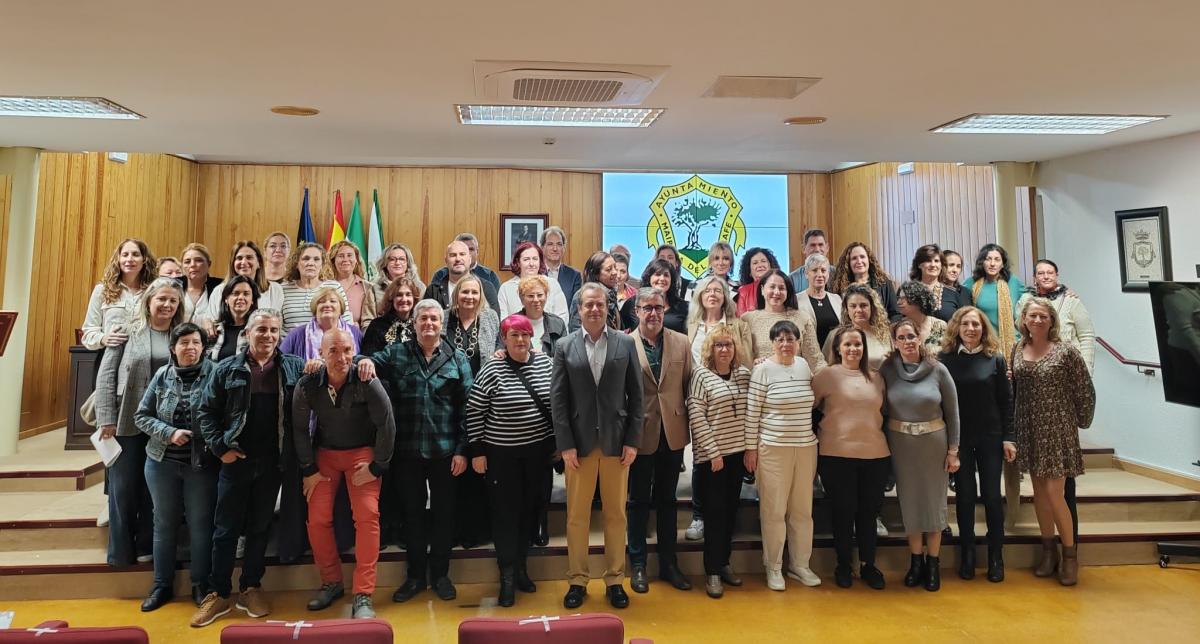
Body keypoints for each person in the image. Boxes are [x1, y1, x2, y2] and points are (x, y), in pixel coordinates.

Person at [191, 309, 305, 628]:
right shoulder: (226, 369)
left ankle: (250, 587)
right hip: (236, 460)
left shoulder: (293, 367)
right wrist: (220, 448)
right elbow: (205, 412)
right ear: (248, 334)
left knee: (259, 528)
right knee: (225, 529)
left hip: (272, 463)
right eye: (261, 330)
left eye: (273, 330)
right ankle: (218, 592)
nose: (268, 336)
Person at [356, 300, 473, 604]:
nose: (429, 324)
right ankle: (416, 577)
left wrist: (463, 450)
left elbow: (468, 409)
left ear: (441, 323)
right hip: (406, 451)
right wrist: (364, 361)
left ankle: (442, 575)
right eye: (423, 319)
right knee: (413, 516)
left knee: (445, 515)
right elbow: (361, 360)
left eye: (434, 318)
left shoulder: (457, 357)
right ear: (415, 323)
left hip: (446, 451)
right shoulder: (396, 353)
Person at [552, 282, 644, 610]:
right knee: (576, 517)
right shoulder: (564, 346)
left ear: (608, 308)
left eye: (600, 305)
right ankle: (577, 579)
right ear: (578, 310)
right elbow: (558, 401)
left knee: (616, 515)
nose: (594, 309)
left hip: (617, 444)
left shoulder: (625, 343)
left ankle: (615, 579)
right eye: (588, 304)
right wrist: (565, 445)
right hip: (579, 445)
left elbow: (637, 396)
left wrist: (633, 440)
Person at [293, 329, 396, 620]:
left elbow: (387, 424)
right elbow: (299, 429)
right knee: (317, 518)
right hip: (324, 455)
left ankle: (363, 593)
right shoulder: (309, 383)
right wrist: (308, 469)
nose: (342, 358)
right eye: (334, 351)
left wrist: (377, 466)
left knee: (367, 515)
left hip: (362, 454)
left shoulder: (366, 379)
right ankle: (331, 582)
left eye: (347, 350)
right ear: (321, 354)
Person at [465, 314, 555, 607]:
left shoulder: (545, 363)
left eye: (525, 335)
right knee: (506, 515)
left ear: (532, 338)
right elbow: (475, 410)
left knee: (531, 511)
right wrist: (477, 450)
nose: (520, 340)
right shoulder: (493, 367)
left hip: (538, 454)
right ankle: (506, 575)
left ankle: (522, 569)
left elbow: (558, 403)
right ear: (504, 339)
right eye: (513, 335)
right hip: (501, 454)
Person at [96, 277, 185, 567]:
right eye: (162, 299)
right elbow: (107, 376)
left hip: (164, 424)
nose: (167, 305)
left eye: (173, 301)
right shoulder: (126, 332)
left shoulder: (181, 335)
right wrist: (106, 418)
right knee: (123, 488)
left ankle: (146, 545)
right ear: (148, 301)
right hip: (126, 420)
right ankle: (120, 552)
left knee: (153, 490)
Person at [134, 322, 218, 611]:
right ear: (173, 348)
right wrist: (169, 433)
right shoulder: (162, 376)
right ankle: (161, 585)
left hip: (201, 464)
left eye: (195, 343)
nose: (190, 348)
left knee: (200, 525)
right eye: (184, 343)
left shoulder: (216, 373)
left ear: (203, 347)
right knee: (164, 524)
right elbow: (141, 416)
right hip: (162, 462)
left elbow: (226, 415)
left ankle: (200, 584)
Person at [1012, 297, 1095, 587]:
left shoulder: (1066, 351)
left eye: (1043, 316)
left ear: (1051, 321)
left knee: (1055, 494)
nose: (1037, 320)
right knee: (1038, 493)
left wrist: (1080, 422)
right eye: (1032, 316)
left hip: (1057, 429)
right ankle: (1048, 550)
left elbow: (1084, 389)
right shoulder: (1017, 349)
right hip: (1029, 428)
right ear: (1024, 320)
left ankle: (1070, 555)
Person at [879, 318, 961, 593]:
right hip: (901, 446)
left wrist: (953, 451)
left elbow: (953, 413)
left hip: (933, 445)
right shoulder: (888, 370)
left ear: (920, 338)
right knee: (910, 504)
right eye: (901, 337)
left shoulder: (938, 370)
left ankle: (933, 563)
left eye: (911, 336)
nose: (907, 342)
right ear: (895, 341)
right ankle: (916, 562)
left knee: (934, 504)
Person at [939, 307, 1015, 583]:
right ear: (957, 327)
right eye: (966, 324)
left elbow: (1006, 401)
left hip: (991, 436)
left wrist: (1010, 436)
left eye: (977, 324)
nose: (971, 328)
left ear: (984, 328)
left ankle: (996, 556)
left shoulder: (994, 359)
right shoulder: (945, 359)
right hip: (959, 438)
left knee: (993, 497)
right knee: (965, 497)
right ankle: (967, 554)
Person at [744, 320, 821, 591]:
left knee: (802, 511)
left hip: (805, 447)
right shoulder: (763, 370)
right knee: (774, 510)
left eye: (791, 339)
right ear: (773, 342)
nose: (786, 344)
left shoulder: (803, 366)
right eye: (781, 339)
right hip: (772, 449)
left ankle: (800, 564)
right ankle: (774, 566)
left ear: (798, 342)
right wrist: (750, 449)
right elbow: (752, 412)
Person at [626, 288, 694, 594]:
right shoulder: (624, 343)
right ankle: (638, 565)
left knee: (668, 502)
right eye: (647, 308)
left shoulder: (681, 342)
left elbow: (688, 384)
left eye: (658, 308)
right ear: (636, 311)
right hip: (639, 435)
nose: (653, 313)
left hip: (673, 431)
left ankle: (669, 564)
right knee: (638, 501)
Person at [812, 325, 889, 590]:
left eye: (858, 344)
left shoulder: (878, 377)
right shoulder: (826, 376)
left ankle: (868, 564)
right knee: (843, 512)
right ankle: (843, 564)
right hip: (836, 455)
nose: (853, 349)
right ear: (837, 348)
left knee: (868, 513)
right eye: (848, 345)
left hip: (875, 455)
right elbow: (810, 411)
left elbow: (886, 413)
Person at [684, 275, 753, 542]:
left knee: (729, 458)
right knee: (702, 456)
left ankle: (725, 520)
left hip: (729, 392)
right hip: (698, 392)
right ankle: (699, 516)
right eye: (707, 290)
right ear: (699, 296)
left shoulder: (738, 324)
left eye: (718, 290)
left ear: (726, 296)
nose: (713, 294)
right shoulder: (690, 325)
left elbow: (744, 356)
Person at [961, 243, 1025, 527]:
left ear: (1003, 262)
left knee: (1008, 406)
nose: (992, 262)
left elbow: (1029, 308)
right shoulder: (970, 284)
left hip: (1007, 354)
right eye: (988, 258)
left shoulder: (1013, 283)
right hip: (980, 353)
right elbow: (965, 317)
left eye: (997, 258)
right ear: (981, 261)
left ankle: (1012, 461)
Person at [687, 324, 750, 598]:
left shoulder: (744, 375)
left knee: (730, 513)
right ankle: (711, 571)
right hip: (713, 458)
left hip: (738, 454)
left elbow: (752, 413)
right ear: (710, 349)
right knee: (714, 515)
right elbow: (696, 415)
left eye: (728, 344)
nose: (724, 349)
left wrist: (750, 449)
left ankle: (724, 563)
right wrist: (713, 452)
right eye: (718, 345)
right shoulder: (700, 375)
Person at [444, 273, 499, 548]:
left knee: (479, 466)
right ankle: (454, 530)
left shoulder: (490, 319)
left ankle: (477, 531)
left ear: (481, 296)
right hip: (449, 400)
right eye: (464, 292)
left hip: (482, 401)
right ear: (456, 295)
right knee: (455, 467)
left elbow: (499, 350)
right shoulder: (444, 317)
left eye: (474, 293)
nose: (469, 297)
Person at [1018, 259, 1096, 372]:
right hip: (1035, 366)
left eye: (1050, 273)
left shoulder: (1071, 300)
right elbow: (1021, 331)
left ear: (1056, 276)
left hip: (1069, 367)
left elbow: (1087, 336)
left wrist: (1086, 369)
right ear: (1034, 278)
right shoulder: (1026, 300)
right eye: (1041, 273)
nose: (1046, 276)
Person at [741, 269, 826, 372]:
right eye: (772, 287)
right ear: (762, 289)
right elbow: (743, 361)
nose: (776, 292)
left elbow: (816, 361)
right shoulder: (747, 319)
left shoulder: (802, 318)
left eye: (781, 288)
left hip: (795, 381)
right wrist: (753, 364)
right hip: (761, 381)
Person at [82, 238, 157, 350]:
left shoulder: (154, 291)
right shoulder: (102, 290)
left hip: (144, 359)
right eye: (125, 255)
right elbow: (89, 332)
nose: (130, 259)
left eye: (136, 254)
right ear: (118, 259)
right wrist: (103, 338)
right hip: (109, 358)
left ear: (144, 259)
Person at [280, 286, 364, 365]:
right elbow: (280, 362)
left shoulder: (355, 332)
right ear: (315, 308)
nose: (327, 305)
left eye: (333, 301)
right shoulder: (297, 334)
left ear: (341, 308)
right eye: (321, 302)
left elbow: (365, 360)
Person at [280, 243, 352, 333]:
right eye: (306, 258)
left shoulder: (334, 287)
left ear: (322, 265)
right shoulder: (283, 289)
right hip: (292, 345)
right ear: (296, 264)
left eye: (316, 259)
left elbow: (346, 322)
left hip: (327, 344)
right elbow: (277, 325)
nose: (310, 263)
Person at [207, 241, 285, 322]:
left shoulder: (275, 289)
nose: (243, 262)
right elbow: (211, 322)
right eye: (239, 258)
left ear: (259, 263)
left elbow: (277, 322)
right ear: (233, 263)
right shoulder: (219, 291)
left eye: (249, 257)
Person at [823, 284, 892, 371]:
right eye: (853, 306)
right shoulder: (835, 335)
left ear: (872, 307)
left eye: (863, 305)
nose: (858, 310)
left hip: (879, 383)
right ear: (846, 309)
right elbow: (826, 368)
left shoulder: (885, 334)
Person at [497, 241, 569, 323]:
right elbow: (503, 322)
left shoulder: (552, 284)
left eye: (535, 259)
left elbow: (562, 318)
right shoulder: (506, 288)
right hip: (517, 334)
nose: (531, 264)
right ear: (518, 262)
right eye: (526, 259)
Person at [830, 242, 900, 320]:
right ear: (848, 263)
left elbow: (895, 314)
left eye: (862, 257)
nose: (859, 261)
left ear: (869, 260)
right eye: (854, 258)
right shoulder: (840, 287)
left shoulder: (884, 284)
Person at [423, 240, 501, 311]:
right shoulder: (433, 291)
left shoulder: (486, 287)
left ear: (470, 259)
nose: (458, 259)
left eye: (462, 254)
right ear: (446, 261)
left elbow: (494, 322)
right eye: (453, 255)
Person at [622, 259, 689, 334]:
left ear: (671, 280)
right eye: (657, 274)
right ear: (649, 277)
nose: (662, 278)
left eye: (666, 275)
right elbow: (619, 331)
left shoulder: (684, 307)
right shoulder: (632, 303)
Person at [361, 277, 419, 355]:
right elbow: (368, 357)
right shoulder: (377, 326)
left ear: (414, 299)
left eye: (408, 295)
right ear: (391, 298)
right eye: (399, 295)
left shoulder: (419, 325)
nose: (404, 299)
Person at [568, 251, 623, 332]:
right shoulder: (582, 295)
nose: (615, 272)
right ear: (596, 275)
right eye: (609, 269)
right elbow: (576, 330)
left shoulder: (611, 294)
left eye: (615, 267)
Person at [911, 244, 968, 322]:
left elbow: (963, 323)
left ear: (941, 265)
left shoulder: (954, 294)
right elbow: (898, 318)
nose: (933, 265)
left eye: (936, 261)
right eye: (928, 260)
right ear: (919, 264)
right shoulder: (906, 291)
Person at [428, 232, 502, 291]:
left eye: (471, 249)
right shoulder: (441, 274)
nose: (468, 253)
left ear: (477, 251)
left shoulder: (490, 276)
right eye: (462, 250)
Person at [796, 254, 842, 347]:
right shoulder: (796, 300)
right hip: (809, 357)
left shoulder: (837, 299)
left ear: (828, 274)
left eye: (823, 270)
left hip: (835, 356)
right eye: (814, 270)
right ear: (806, 274)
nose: (820, 274)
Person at [330, 240, 377, 328]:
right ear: (333, 260)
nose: (345, 259)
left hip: (358, 337)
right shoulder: (325, 286)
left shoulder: (367, 287)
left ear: (356, 260)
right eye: (341, 256)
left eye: (349, 255)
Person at [210, 275, 259, 361]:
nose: (240, 297)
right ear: (226, 299)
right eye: (235, 293)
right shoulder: (214, 331)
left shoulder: (258, 331)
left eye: (246, 294)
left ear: (252, 300)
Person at [897, 281, 948, 352]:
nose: (898, 302)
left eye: (903, 298)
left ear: (918, 299)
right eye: (899, 298)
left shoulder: (941, 326)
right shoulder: (898, 328)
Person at [179, 243, 224, 325]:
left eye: (198, 260)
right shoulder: (174, 287)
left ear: (209, 264)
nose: (192, 265)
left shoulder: (221, 288)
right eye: (187, 262)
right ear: (182, 266)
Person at [541, 226, 582, 305]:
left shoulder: (574, 276)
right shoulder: (535, 273)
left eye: (559, 244)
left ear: (564, 248)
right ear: (542, 248)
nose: (555, 248)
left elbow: (576, 308)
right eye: (550, 244)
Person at [735, 247, 780, 315]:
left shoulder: (782, 287)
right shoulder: (743, 291)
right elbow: (741, 320)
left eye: (763, 261)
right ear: (749, 270)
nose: (760, 265)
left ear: (771, 265)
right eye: (755, 263)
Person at [788, 229, 829, 293]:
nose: (817, 249)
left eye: (820, 245)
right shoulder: (792, 279)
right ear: (804, 249)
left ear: (827, 248)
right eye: (813, 245)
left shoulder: (837, 274)